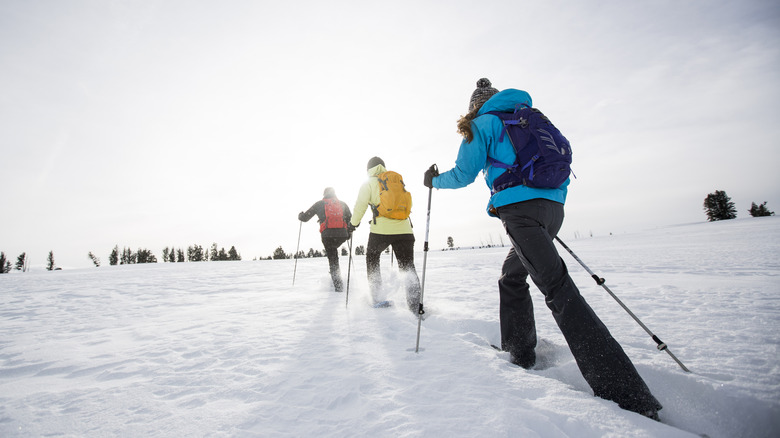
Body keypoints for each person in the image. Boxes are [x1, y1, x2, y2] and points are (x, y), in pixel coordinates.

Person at [423, 78, 663, 420]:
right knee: (511, 276)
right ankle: (519, 351)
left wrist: (432, 180)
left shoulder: (483, 123)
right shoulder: (528, 115)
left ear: (477, 104)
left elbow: (464, 174)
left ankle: (628, 395)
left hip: (520, 213)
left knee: (559, 291)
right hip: (553, 209)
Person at [350, 157, 421, 311]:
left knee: (372, 258)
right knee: (407, 266)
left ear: (368, 169)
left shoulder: (368, 183)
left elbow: (360, 207)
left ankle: (377, 298)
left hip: (381, 231)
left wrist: (352, 224)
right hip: (405, 230)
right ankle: (415, 305)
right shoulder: (395, 180)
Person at [298, 188, 352, 292]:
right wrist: (348, 233)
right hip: (342, 235)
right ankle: (336, 278)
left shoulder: (320, 204)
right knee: (334, 252)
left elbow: (305, 218)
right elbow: (352, 219)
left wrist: (300, 215)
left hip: (327, 235)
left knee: (333, 259)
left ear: (324, 194)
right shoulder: (342, 204)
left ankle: (338, 286)